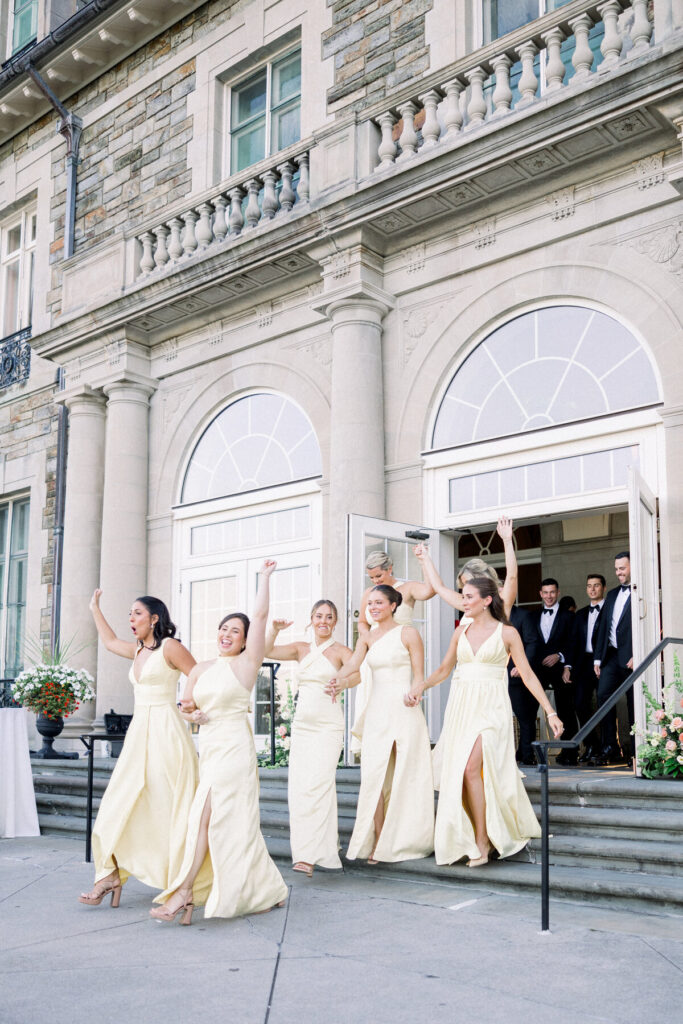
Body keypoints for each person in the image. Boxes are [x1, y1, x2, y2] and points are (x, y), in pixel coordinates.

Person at [151, 561, 288, 924]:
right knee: (223, 820)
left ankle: (184, 893)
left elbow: (259, 617)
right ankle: (267, 886)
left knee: (206, 817)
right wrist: (190, 714)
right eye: (224, 629)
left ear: (245, 640)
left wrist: (264, 578)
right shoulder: (200, 668)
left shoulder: (246, 665)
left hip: (234, 750)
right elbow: (186, 704)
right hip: (209, 749)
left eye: (235, 631)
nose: (228, 634)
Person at [407, 577, 563, 867]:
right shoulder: (461, 631)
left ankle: (482, 840)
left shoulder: (507, 633)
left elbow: (528, 675)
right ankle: (480, 835)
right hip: (462, 708)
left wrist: (550, 711)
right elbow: (443, 670)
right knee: (464, 774)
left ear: (487, 600)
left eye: (468, 597)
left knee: (470, 768)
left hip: (492, 708)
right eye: (463, 597)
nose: (463, 602)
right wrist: (420, 688)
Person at [79, 591, 198, 907]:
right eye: (130, 614)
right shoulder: (137, 651)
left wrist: (192, 704)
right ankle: (110, 874)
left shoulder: (170, 647)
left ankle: (181, 881)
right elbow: (108, 642)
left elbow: (198, 675)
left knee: (169, 805)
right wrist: (94, 609)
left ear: (154, 618)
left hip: (167, 732)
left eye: (137, 614)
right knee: (116, 803)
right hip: (138, 735)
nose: (131, 619)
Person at [326, 585, 434, 864]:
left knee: (405, 774)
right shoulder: (367, 637)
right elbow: (352, 665)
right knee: (374, 775)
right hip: (376, 711)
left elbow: (419, 675)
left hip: (404, 708)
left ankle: (403, 839)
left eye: (378, 603)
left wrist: (415, 692)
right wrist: (336, 679)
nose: (372, 607)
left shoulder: (408, 633)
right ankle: (377, 839)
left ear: (393, 605)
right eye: (369, 603)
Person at [265, 600, 358, 877]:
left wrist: (344, 682)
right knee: (300, 787)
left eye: (329, 617)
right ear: (311, 619)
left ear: (335, 621)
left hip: (329, 725)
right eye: (319, 616)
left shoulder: (341, 651)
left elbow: (360, 674)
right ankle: (315, 849)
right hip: (303, 725)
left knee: (319, 784)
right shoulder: (300, 649)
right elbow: (267, 650)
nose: (323, 621)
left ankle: (312, 854)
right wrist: (275, 630)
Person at [351, 549, 436, 753]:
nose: (375, 581)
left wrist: (424, 561)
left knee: (399, 715)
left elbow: (431, 590)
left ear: (390, 568)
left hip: (399, 659)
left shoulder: (407, 589)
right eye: (371, 577)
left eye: (379, 575)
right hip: (375, 658)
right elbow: (362, 623)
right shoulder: (369, 594)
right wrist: (369, 637)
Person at [414, 516, 518, 618]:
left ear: (482, 578)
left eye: (468, 582)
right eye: (464, 585)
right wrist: (424, 558)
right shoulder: (468, 604)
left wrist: (507, 540)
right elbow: (439, 587)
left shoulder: (502, 601)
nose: (466, 588)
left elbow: (512, 576)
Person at [592, 552, 634, 765]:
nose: (619, 573)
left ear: (632, 566)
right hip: (611, 656)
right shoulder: (613, 594)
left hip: (633, 658)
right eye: (617, 569)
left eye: (622, 568)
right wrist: (598, 658)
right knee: (603, 696)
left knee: (634, 702)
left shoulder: (642, 592)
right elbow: (603, 627)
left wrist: (640, 653)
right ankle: (610, 746)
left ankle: (636, 752)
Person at [533, 578, 578, 766]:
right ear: (541, 594)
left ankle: (570, 753)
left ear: (557, 593)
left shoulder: (568, 617)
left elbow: (574, 642)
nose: (549, 596)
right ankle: (527, 752)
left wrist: (560, 656)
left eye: (552, 592)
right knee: (529, 707)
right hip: (538, 670)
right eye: (546, 592)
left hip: (560, 669)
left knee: (565, 709)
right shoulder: (533, 616)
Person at [574, 574, 606, 764]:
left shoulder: (609, 610)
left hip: (604, 661)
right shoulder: (581, 614)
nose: (592, 589)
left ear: (603, 587)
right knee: (580, 704)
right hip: (584, 663)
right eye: (589, 586)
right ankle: (591, 743)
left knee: (605, 704)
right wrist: (569, 666)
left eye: (596, 586)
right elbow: (574, 642)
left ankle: (607, 746)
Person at [507, 604, 541, 765]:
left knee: (525, 717)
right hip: (495, 677)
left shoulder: (523, 615)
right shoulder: (489, 616)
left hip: (517, 675)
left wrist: (521, 666)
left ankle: (527, 755)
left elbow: (532, 642)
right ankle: (520, 753)